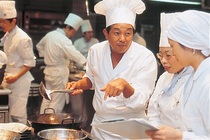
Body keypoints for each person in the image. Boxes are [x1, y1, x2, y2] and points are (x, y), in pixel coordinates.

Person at [66, 0, 158, 139]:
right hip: (101, 126)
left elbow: (142, 99)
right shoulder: (95, 51)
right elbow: (91, 78)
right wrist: (79, 84)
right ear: (106, 33)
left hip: (130, 128)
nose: (123, 39)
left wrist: (125, 85)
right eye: (116, 33)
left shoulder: (145, 57)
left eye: (128, 33)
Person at [146, 10, 210, 139]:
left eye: (172, 47)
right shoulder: (196, 77)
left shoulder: (207, 82)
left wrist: (180, 136)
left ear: (190, 46)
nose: (173, 54)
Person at [147, 12, 193, 130]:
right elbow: (153, 112)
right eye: (160, 55)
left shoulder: (197, 78)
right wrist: (158, 131)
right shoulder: (164, 77)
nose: (163, 61)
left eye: (168, 55)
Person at [36, 13, 87, 114]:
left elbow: (39, 46)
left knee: (47, 98)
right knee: (57, 100)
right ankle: (50, 125)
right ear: (67, 27)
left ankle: (41, 122)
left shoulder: (49, 35)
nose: (73, 34)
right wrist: (87, 63)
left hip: (49, 71)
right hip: (59, 72)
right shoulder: (63, 39)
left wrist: (47, 55)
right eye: (73, 31)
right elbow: (75, 54)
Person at [0, 1, 36, 124]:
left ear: (13, 21)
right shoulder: (7, 35)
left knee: (18, 115)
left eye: (4, 21)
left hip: (20, 81)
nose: (1, 24)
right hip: (9, 78)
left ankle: (23, 136)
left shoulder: (23, 38)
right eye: (0, 21)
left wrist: (15, 77)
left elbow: (30, 63)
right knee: (9, 113)